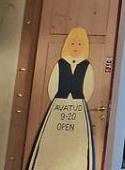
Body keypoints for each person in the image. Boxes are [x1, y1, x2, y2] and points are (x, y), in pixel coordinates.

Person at [27, 27, 96, 170]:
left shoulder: (86, 65)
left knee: (78, 139)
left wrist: (78, 99)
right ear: (67, 45)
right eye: (72, 44)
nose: (75, 47)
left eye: (79, 44)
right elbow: (53, 85)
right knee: (50, 137)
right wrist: (60, 99)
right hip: (59, 105)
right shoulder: (60, 64)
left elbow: (88, 88)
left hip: (77, 105)